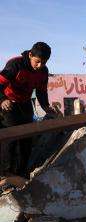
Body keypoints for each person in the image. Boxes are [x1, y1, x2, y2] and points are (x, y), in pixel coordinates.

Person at [0, 42, 56, 179]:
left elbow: (41, 92)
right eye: (37, 62)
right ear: (30, 55)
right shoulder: (15, 64)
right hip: (9, 104)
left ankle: (21, 173)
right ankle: (5, 174)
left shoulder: (43, 71)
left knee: (26, 139)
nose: (40, 66)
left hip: (25, 104)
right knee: (11, 138)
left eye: (43, 62)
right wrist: (2, 100)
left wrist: (46, 107)